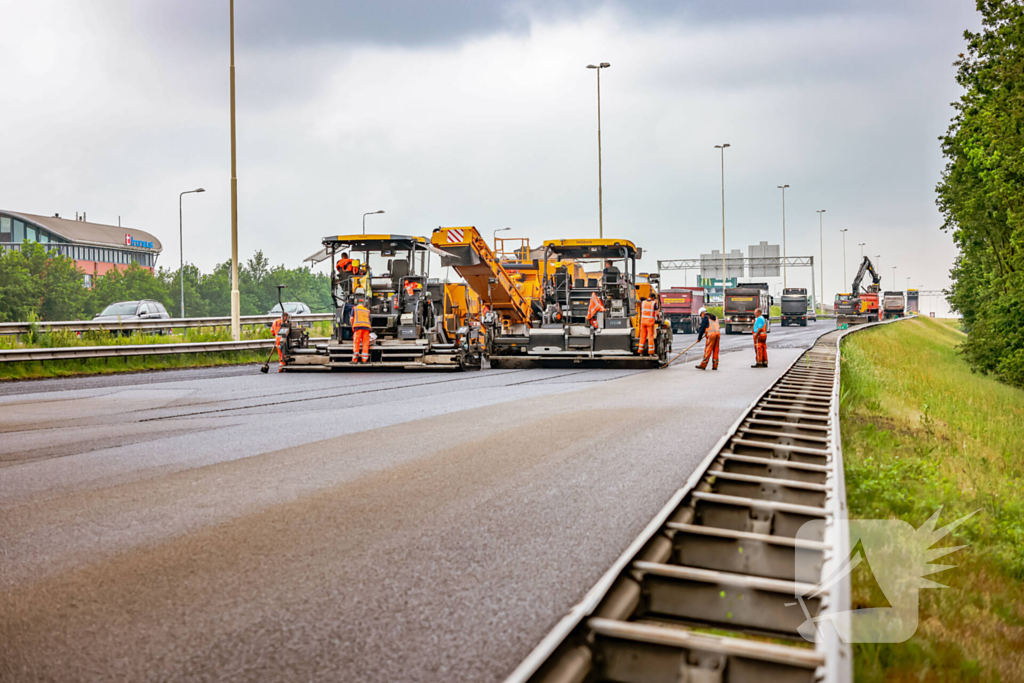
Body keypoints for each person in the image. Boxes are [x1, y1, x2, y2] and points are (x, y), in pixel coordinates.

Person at [351, 299, 372, 363]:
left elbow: (351, 318)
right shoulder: (367, 310)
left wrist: (352, 326)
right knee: (365, 344)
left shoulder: (355, 308)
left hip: (358, 327)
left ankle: (355, 360)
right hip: (366, 328)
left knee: (356, 343)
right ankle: (364, 360)